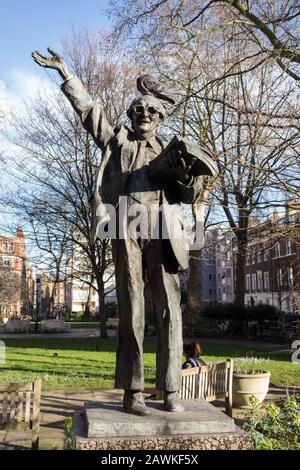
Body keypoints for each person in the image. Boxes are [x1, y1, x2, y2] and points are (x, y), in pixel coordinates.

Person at [32, 48, 205, 416]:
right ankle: (134, 392)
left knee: (170, 311)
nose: (145, 115)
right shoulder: (119, 143)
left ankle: (171, 388)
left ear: (160, 117)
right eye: (138, 110)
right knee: (132, 309)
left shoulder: (169, 150)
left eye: (151, 111)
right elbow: (90, 113)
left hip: (163, 229)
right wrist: (67, 74)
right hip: (127, 225)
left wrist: (187, 175)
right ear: (131, 116)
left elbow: (187, 195)